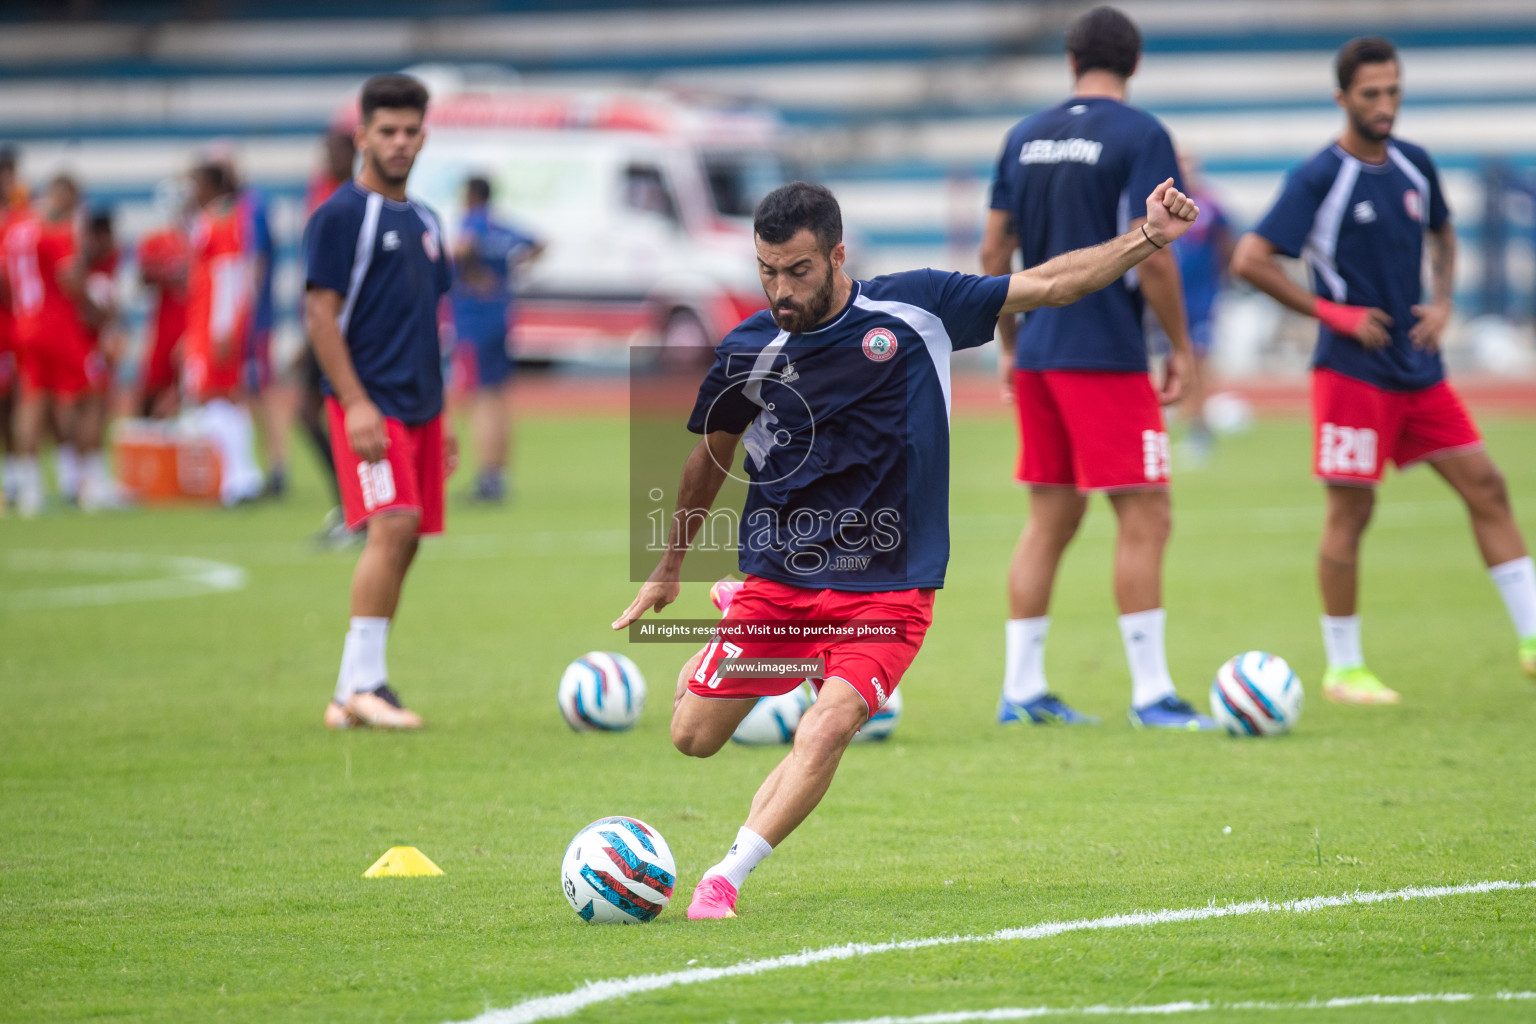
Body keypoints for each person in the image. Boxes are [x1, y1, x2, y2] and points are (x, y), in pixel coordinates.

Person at [613, 177, 1200, 919]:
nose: (781, 289)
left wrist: (1146, 236)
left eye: (797, 271)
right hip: (780, 582)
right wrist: (669, 568)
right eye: (767, 272)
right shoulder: (748, 350)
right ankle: (754, 643)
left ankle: (725, 876)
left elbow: (1049, 284)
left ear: (836, 255)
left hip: (891, 586)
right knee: (692, 737)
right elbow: (708, 461)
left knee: (827, 726)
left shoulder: (917, 306)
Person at [1232, 36, 1536, 702]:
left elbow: (1444, 232)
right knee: (1353, 512)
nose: (1385, 105)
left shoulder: (1414, 164)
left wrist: (1446, 300)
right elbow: (1250, 259)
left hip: (1419, 369)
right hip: (1351, 374)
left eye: (1393, 91)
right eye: (1371, 94)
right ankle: (1344, 669)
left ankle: (1532, 640)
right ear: (1342, 98)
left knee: (1487, 485)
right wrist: (1332, 315)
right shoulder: (1321, 175)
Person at [979, 5, 1212, 729]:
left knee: (1050, 519)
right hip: (1105, 355)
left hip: (1043, 352)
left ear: (1072, 61)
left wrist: (1012, 346)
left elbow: (994, 257)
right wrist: (1178, 347)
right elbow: (1158, 250)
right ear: (1133, 64)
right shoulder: (1142, 134)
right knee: (1146, 514)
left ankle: (1021, 689)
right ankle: (1151, 696)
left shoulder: (1023, 136)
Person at [304, 73, 455, 730]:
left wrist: (443, 415)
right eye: (386, 131)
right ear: (362, 134)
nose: (399, 142)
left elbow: (428, 321)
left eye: (410, 131)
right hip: (370, 406)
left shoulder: (426, 220)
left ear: (424, 135)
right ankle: (365, 686)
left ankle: (350, 693)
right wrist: (355, 402)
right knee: (390, 525)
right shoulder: (342, 215)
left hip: (421, 408)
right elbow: (319, 314)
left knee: (408, 538)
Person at [2, 174, 93, 517]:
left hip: (23, 322)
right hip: (56, 324)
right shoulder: (53, 229)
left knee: (31, 402)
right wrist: (94, 308)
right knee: (83, 397)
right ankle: (80, 482)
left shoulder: (12, 228)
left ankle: (30, 488)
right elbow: (70, 280)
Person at [450, 175, 543, 503]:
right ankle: (500, 473)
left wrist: (474, 276)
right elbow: (539, 243)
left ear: (470, 195)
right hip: (502, 318)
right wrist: (514, 271)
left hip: (473, 322)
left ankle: (488, 477)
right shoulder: (503, 227)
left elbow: (462, 249)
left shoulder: (472, 223)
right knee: (500, 396)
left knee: (479, 399)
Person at [184, 161, 266, 506]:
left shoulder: (222, 221)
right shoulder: (215, 218)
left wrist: (223, 328)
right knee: (223, 396)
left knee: (215, 396)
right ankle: (242, 477)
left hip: (215, 325)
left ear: (212, 185)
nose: (192, 190)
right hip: (206, 321)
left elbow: (231, 275)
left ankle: (238, 481)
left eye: (196, 183)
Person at [1158, 150, 1233, 459]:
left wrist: (1222, 280)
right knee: (1170, 363)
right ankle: (1179, 420)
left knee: (1197, 363)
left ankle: (1199, 431)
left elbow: (1228, 243)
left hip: (1201, 299)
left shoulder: (1211, 205)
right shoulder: (1158, 205)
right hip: (1167, 298)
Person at [135, 177, 192, 419]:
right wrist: (165, 274)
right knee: (151, 390)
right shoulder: (155, 240)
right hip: (164, 323)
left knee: (188, 389)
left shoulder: (197, 237)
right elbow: (142, 279)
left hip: (189, 320)